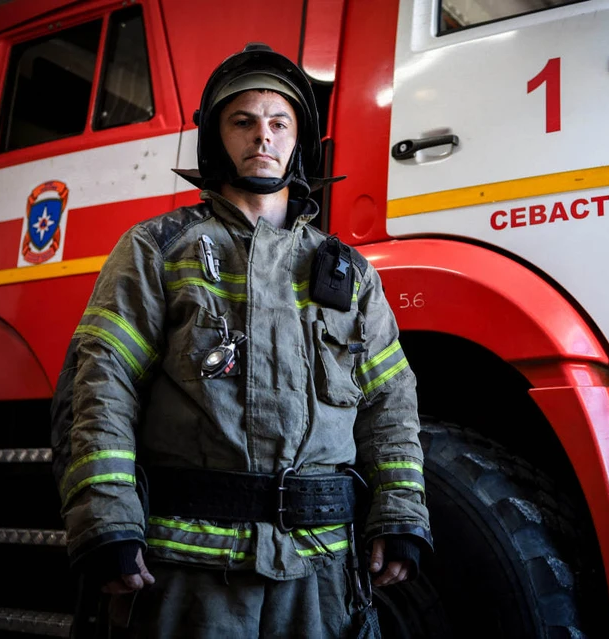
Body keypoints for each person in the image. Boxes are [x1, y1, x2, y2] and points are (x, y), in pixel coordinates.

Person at [50, 43, 431, 638]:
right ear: (216, 139)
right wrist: (107, 524)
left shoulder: (350, 273)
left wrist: (401, 511)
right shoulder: (157, 248)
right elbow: (101, 386)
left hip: (321, 573)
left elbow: (391, 402)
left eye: (280, 122)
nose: (263, 136)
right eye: (243, 121)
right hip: (189, 575)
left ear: (297, 140)